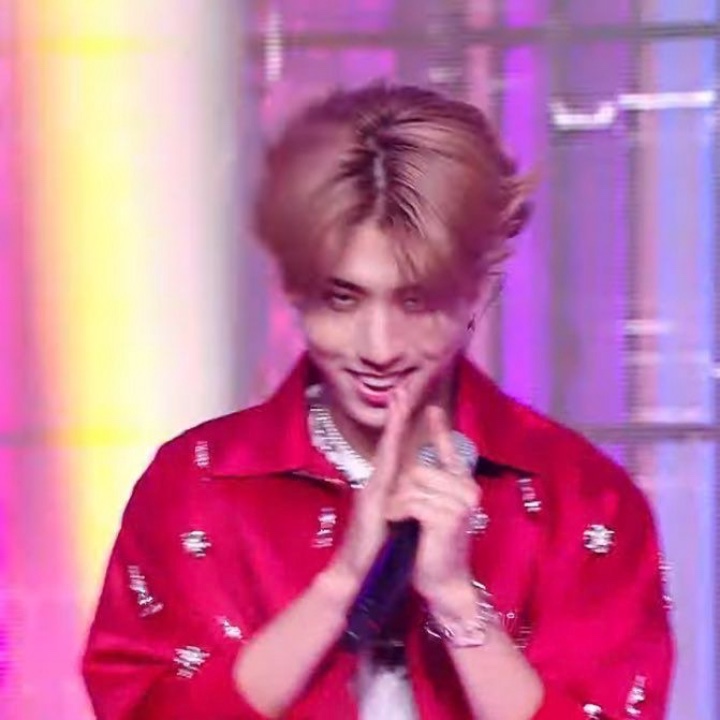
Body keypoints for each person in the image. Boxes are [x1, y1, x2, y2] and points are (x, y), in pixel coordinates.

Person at [82, 83, 674, 720]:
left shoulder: (581, 498)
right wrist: (339, 585)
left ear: (475, 293)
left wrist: (458, 604)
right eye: (343, 299)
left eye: (416, 301)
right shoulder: (197, 485)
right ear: (296, 292)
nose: (380, 347)